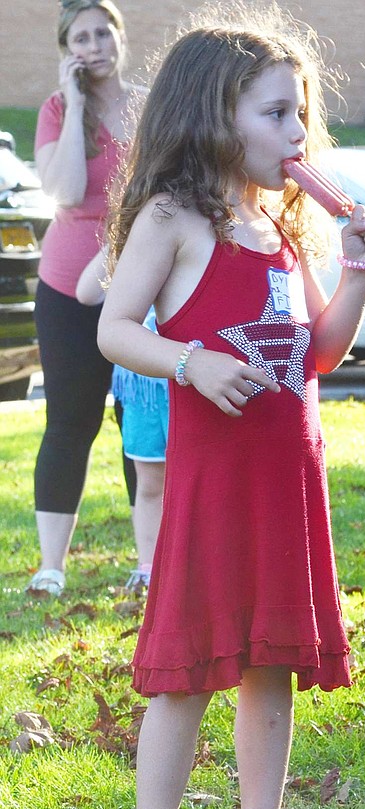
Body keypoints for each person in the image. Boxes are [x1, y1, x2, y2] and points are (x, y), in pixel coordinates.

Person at [97, 0, 365, 809]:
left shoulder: (285, 224)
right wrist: (191, 359)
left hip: (287, 479)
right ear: (212, 114)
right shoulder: (174, 217)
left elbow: (318, 354)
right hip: (214, 483)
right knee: (188, 667)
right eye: (275, 113)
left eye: (300, 112)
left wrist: (357, 273)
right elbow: (113, 327)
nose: (297, 131)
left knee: (273, 661)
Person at [27, 0, 143, 597]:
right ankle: (51, 567)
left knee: (139, 422)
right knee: (70, 421)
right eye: (81, 38)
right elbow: (67, 190)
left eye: (103, 33)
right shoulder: (54, 110)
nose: (94, 45)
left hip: (141, 279)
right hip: (67, 288)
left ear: (120, 38)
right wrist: (74, 106)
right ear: (66, 49)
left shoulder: (150, 106)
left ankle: (152, 562)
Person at [76, 247, 168, 592]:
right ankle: (150, 568)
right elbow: (86, 292)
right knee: (149, 484)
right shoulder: (130, 242)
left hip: (187, 385)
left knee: (192, 482)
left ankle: (195, 567)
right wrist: (121, 233)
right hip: (141, 392)